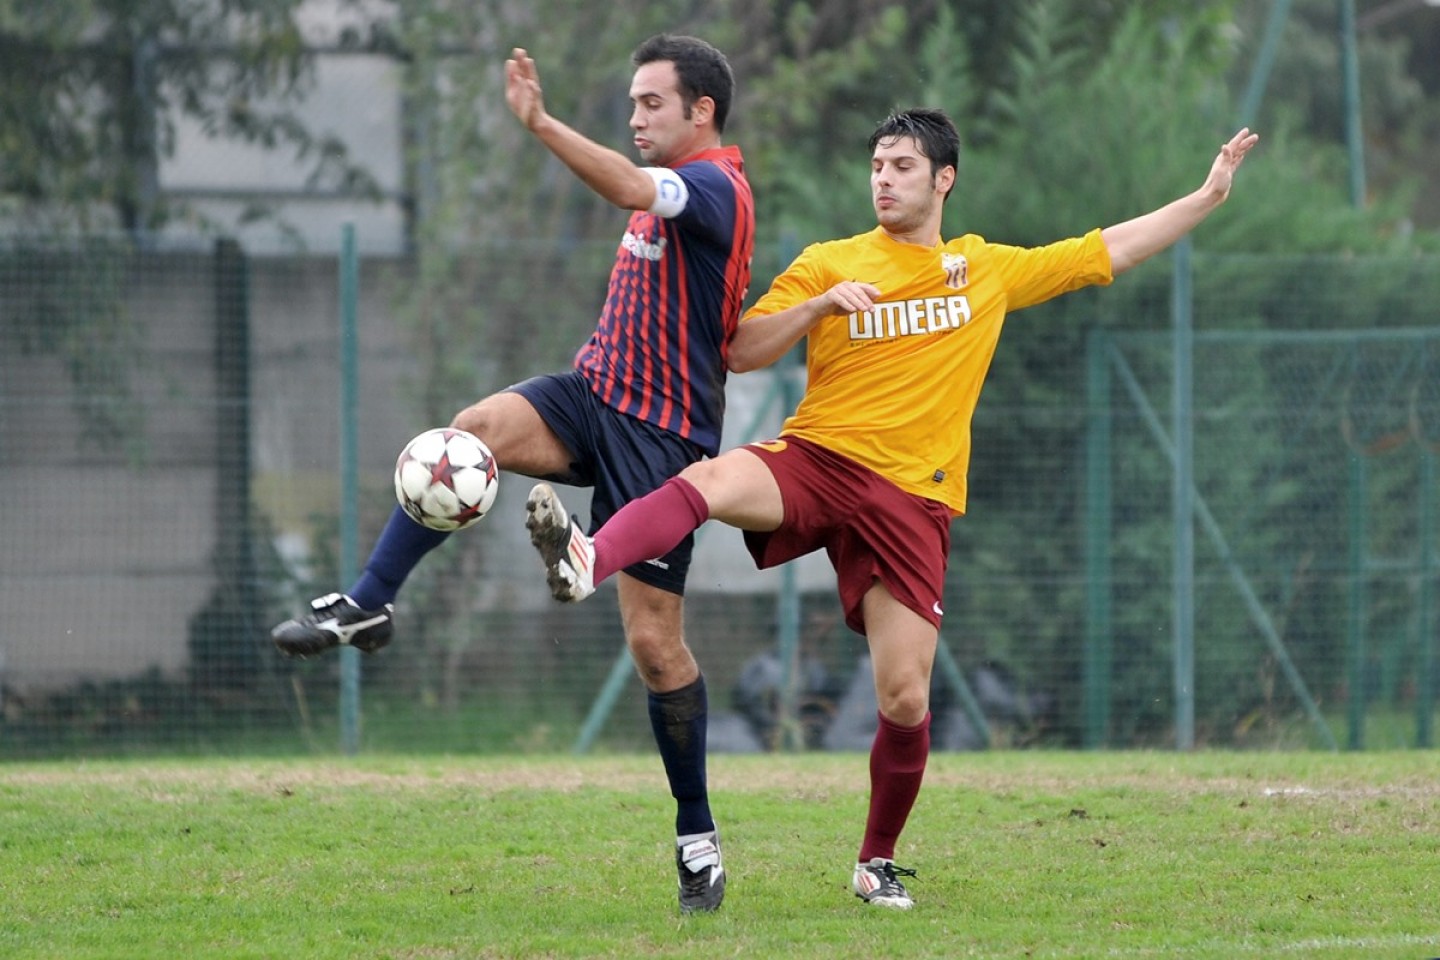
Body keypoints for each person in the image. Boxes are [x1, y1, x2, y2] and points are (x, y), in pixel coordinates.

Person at [526, 108, 1258, 909]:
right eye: (877, 164)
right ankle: (591, 556)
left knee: (905, 698)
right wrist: (817, 308)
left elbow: (1104, 251)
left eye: (903, 166)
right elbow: (741, 348)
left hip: (913, 499)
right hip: (821, 460)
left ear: (944, 179)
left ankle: (876, 861)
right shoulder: (830, 261)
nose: (884, 177)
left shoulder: (982, 270)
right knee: (709, 484)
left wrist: (1207, 196)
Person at [271, 34, 754, 915]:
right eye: (634, 102)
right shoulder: (680, 188)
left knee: (653, 647)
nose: (638, 116)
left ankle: (696, 836)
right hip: (592, 393)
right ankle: (372, 598)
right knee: (470, 435)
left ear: (702, 111)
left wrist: (540, 124)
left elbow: (625, 184)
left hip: (660, 439)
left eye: (653, 103)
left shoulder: (716, 186)